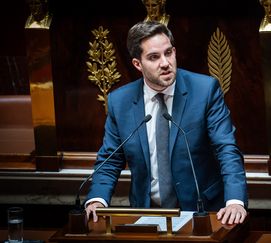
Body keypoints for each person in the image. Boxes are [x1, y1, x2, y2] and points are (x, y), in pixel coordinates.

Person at [85, 20, 248, 226]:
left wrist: (235, 201)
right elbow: (110, 159)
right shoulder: (120, 102)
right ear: (138, 64)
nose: (165, 63)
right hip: (146, 215)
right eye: (154, 57)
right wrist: (97, 199)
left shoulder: (205, 91)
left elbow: (226, 148)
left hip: (203, 212)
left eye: (168, 53)